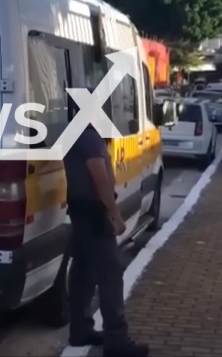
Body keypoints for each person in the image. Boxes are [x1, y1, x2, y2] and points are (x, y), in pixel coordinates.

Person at [64, 95, 148, 357]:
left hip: (79, 212)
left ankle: (80, 330)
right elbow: (100, 180)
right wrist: (116, 216)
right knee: (110, 276)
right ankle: (116, 341)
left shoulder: (73, 133)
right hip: (94, 215)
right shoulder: (89, 137)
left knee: (82, 275)